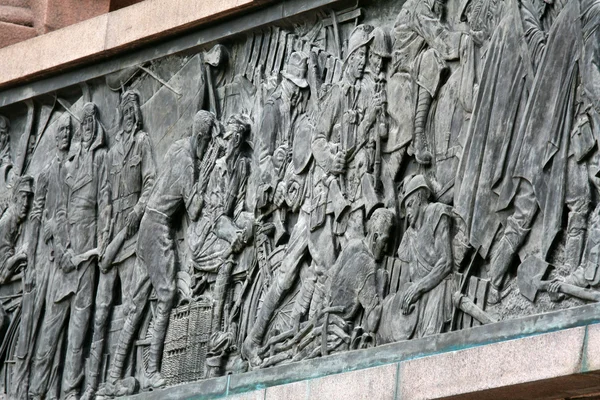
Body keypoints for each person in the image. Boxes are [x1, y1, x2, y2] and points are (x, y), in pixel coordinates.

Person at [101, 110, 218, 396]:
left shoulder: (178, 146)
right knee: (166, 295)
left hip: (145, 229)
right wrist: (205, 175)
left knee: (137, 303)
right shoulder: (189, 163)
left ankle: (114, 377)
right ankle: (152, 370)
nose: (208, 148)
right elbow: (193, 209)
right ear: (201, 138)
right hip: (158, 230)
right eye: (208, 142)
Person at [30, 108, 111, 400]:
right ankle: (36, 391)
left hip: (88, 257)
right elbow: (59, 211)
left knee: (79, 329)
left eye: (92, 123)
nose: (87, 128)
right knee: (50, 331)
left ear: (97, 127)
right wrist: (62, 251)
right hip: (66, 259)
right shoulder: (68, 165)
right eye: (83, 124)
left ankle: (71, 391)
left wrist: (102, 243)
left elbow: (105, 202)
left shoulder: (101, 159)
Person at [82, 93, 157, 400]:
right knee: (99, 316)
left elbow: (151, 181)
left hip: (131, 238)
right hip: (110, 243)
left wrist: (138, 213)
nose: (128, 116)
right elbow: (103, 202)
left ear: (136, 114)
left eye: (132, 111)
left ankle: (122, 377)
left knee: (130, 307)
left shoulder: (142, 143)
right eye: (124, 111)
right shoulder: (112, 154)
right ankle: (91, 385)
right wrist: (103, 243)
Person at [12, 112, 73, 400]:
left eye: (68, 131)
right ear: (55, 136)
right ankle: (19, 390)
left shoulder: (74, 169)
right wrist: (32, 261)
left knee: (55, 324)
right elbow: (35, 217)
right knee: (30, 327)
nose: (65, 135)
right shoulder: (47, 173)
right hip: (42, 260)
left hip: (63, 260)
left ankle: (49, 390)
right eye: (61, 131)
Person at [188, 113, 253, 336]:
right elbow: (216, 217)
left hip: (225, 223)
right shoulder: (218, 169)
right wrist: (233, 235)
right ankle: (215, 331)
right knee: (227, 259)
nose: (233, 142)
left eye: (238, 138)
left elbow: (237, 207)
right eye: (230, 137)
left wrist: (249, 224)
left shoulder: (242, 165)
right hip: (205, 234)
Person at [379, 175, 454, 341]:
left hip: (438, 288)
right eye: (405, 208)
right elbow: (406, 272)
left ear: (421, 198)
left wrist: (418, 287)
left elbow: (446, 262)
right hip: (417, 299)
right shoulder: (408, 236)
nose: (408, 213)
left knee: (429, 341)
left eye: (410, 204)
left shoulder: (436, 212)